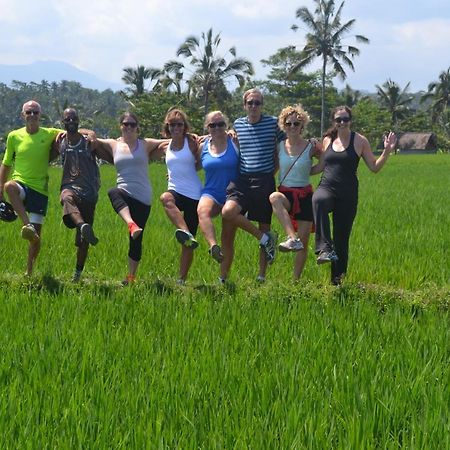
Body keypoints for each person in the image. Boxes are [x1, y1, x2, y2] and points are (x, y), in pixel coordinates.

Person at [312, 105, 396, 285]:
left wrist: (386, 151)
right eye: (338, 120)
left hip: (348, 194)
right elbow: (320, 167)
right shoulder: (327, 139)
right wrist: (300, 171)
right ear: (333, 122)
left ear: (350, 121)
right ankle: (324, 248)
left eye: (345, 119)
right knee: (318, 200)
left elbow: (374, 167)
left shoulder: (360, 141)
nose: (342, 123)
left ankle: (337, 282)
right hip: (327, 187)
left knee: (341, 240)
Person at [94, 112, 166, 285]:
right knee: (113, 192)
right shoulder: (113, 144)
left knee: (136, 241)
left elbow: (170, 141)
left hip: (143, 197)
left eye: (132, 125)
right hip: (124, 193)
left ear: (137, 128)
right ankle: (130, 223)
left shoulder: (145, 144)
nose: (128, 127)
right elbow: (92, 139)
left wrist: (199, 137)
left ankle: (131, 277)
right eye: (125, 124)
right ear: (120, 126)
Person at [221, 88, 285, 282]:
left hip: (264, 179)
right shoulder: (238, 125)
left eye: (257, 103)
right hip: (242, 180)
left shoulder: (273, 123)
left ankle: (261, 276)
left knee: (265, 224)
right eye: (250, 103)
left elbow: (288, 143)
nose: (254, 106)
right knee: (228, 212)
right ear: (244, 105)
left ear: (262, 105)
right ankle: (264, 238)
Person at [0, 100, 60, 276]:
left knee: (35, 239)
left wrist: (92, 134)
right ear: (22, 115)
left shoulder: (49, 133)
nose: (32, 115)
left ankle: (29, 272)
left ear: (40, 115)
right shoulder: (14, 136)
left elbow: (73, 133)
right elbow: (6, 164)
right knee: (10, 186)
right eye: (29, 112)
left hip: (40, 190)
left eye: (35, 112)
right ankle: (27, 225)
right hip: (21, 184)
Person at [57, 108, 113, 282]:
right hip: (70, 187)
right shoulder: (60, 142)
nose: (71, 122)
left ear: (79, 120)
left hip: (89, 193)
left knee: (83, 242)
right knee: (66, 197)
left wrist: (93, 136)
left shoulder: (89, 142)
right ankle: (81, 225)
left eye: (74, 119)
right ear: (63, 122)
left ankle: (77, 275)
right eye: (67, 119)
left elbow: (110, 157)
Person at [269, 105, 323, 280]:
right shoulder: (279, 147)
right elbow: (274, 168)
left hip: (305, 195)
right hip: (286, 193)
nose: (292, 127)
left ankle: (295, 280)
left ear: (302, 126)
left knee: (304, 243)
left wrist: (309, 170)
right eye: (289, 123)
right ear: (283, 125)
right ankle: (291, 237)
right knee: (274, 197)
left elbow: (323, 162)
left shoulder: (311, 147)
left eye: (296, 123)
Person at [159, 108, 202, 285]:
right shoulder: (164, 145)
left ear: (184, 126)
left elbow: (200, 162)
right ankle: (184, 232)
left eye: (179, 124)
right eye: (172, 124)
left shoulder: (191, 142)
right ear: (167, 127)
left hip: (194, 194)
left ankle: (181, 280)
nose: (176, 127)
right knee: (165, 198)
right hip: (176, 190)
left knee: (187, 245)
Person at [197, 111, 239, 283]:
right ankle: (213, 246)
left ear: (226, 125)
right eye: (212, 125)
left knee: (228, 239)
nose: (217, 128)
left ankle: (223, 278)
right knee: (202, 211)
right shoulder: (203, 146)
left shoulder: (235, 142)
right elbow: (195, 166)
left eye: (220, 124)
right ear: (207, 128)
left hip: (232, 194)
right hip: (211, 192)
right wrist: (174, 175)